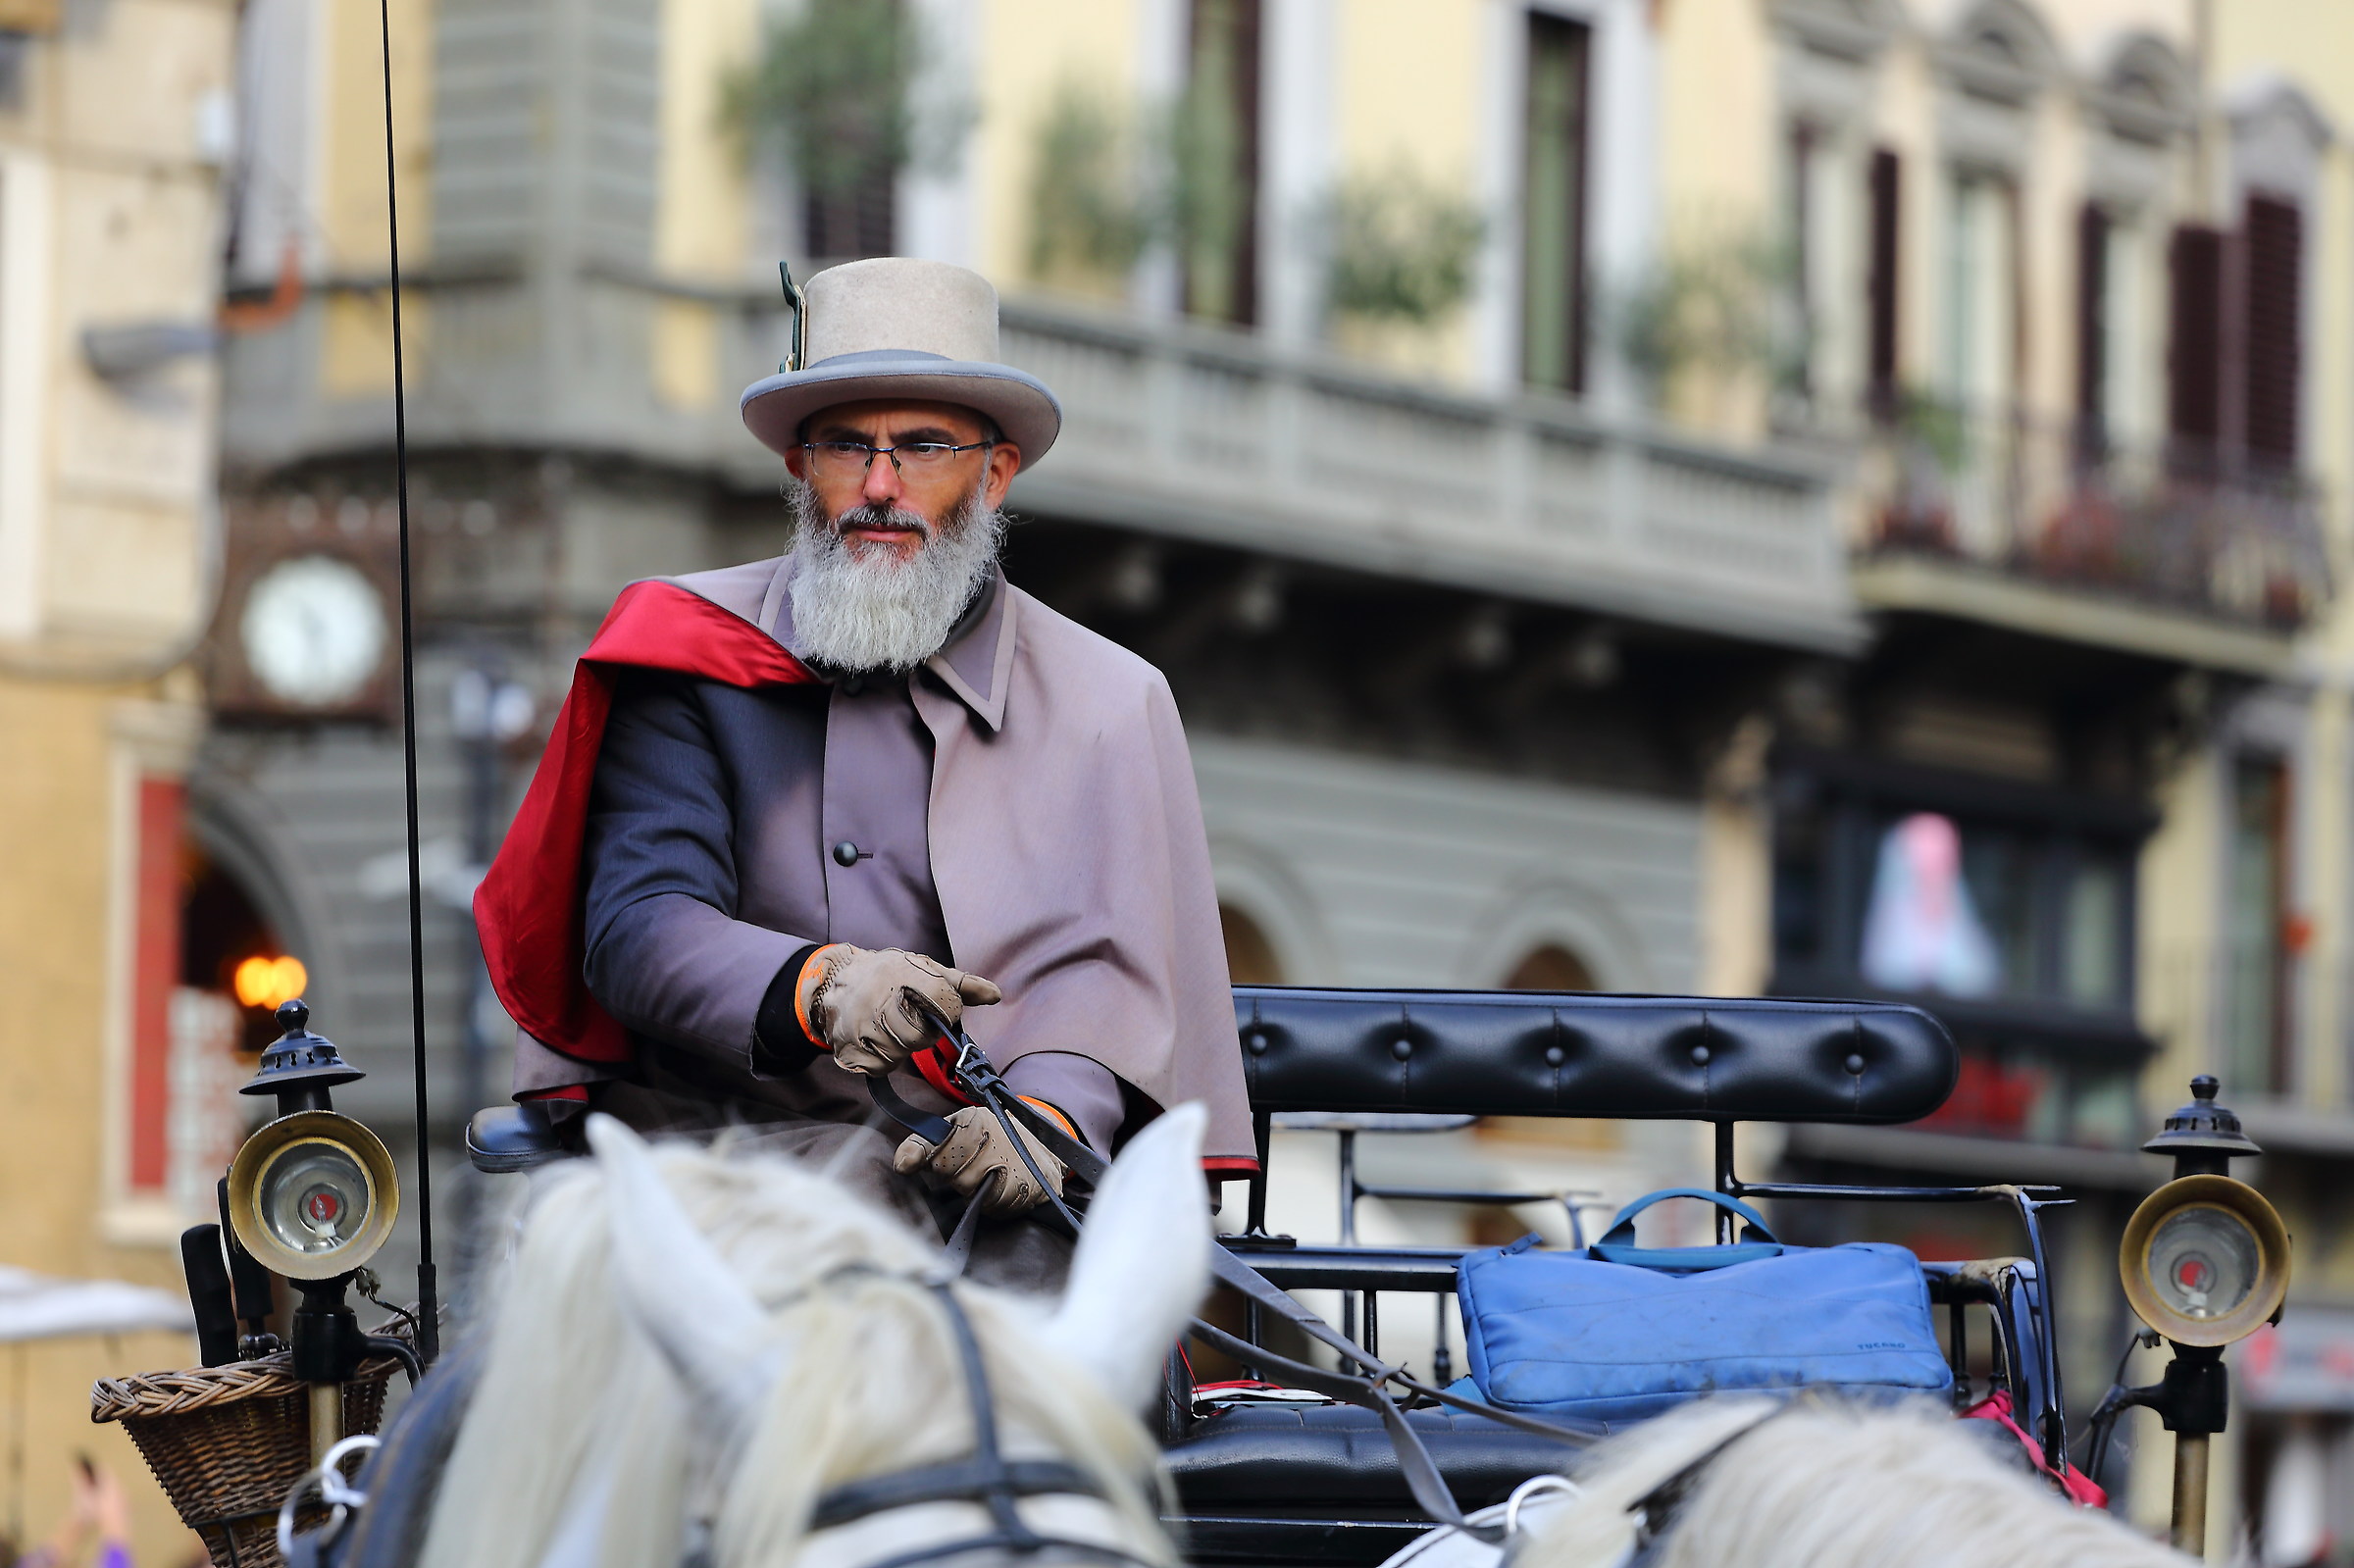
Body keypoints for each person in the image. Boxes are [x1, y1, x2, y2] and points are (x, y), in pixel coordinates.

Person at [475, 258, 1256, 1277]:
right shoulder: (686, 652)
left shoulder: (1112, 703)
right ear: (801, 467)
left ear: (996, 472)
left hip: (1002, 1207)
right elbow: (638, 927)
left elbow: (1105, 981)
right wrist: (820, 986)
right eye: (849, 445)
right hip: (721, 1179)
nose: (881, 487)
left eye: (924, 447)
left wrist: (1044, 1117)